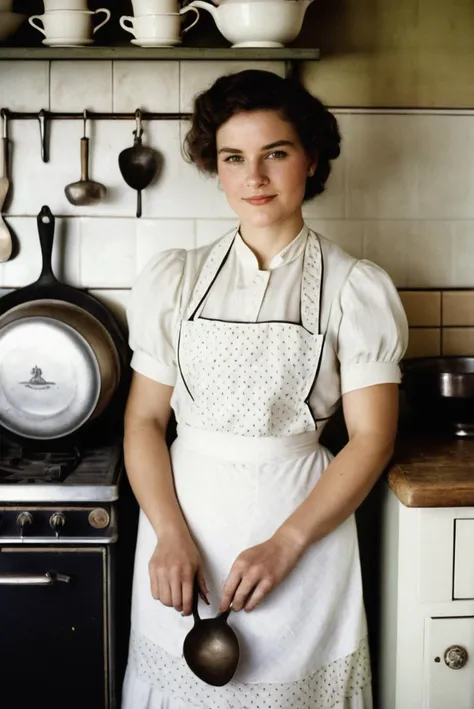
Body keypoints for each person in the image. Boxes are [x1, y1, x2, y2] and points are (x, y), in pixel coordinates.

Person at [121, 69, 408, 709]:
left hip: (304, 530)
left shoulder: (355, 286)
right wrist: (168, 533)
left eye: (274, 153)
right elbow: (144, 421)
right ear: (215, 167)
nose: (254, 177)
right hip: (184, 528)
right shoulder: (176, 278)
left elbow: (372, 437)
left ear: (309, 159)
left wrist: (286, 544)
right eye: (233, 158)